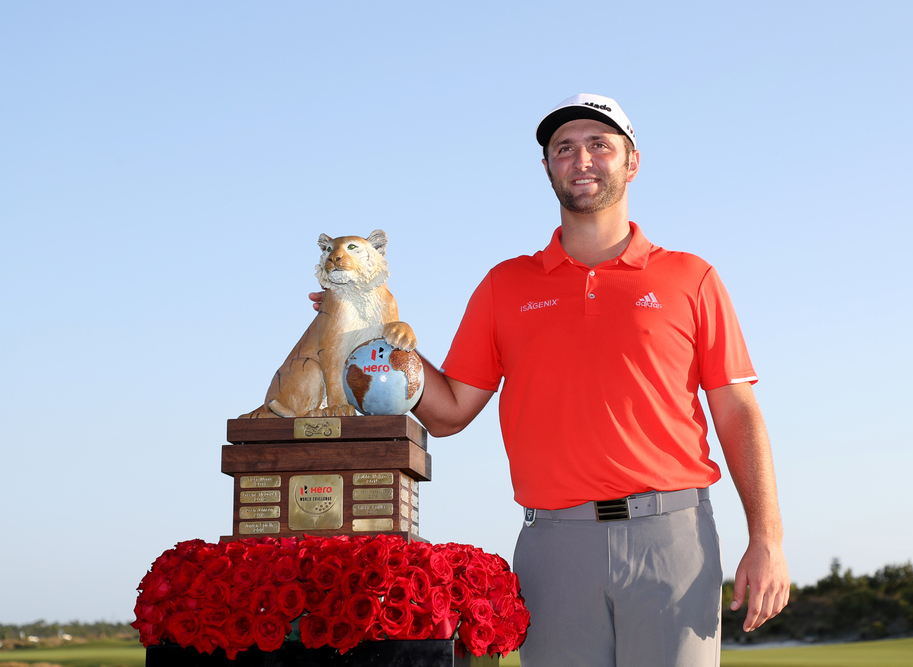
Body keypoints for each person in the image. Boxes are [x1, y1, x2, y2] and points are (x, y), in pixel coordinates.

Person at [316, 93, 789, 666]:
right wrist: (374, 332)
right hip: (554, 544)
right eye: (563, 149)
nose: (581, 159)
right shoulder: (504, 286)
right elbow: (448, 412)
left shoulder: (691, 277)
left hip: (673, 536)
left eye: (599, 145)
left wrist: (767, 537)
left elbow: (737, 411)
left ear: (632, 162)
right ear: (547, 168)